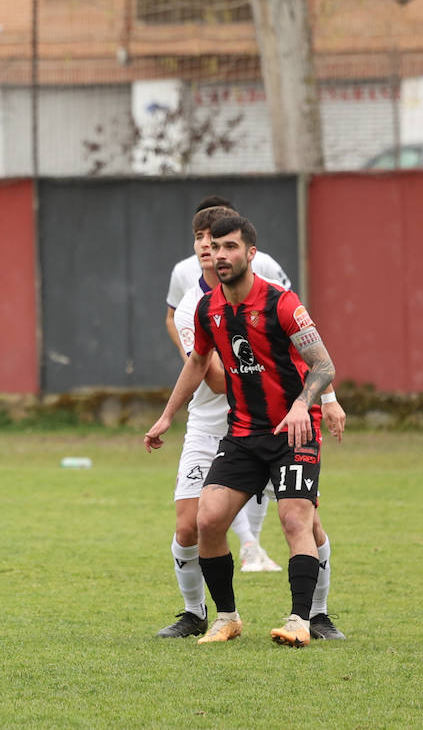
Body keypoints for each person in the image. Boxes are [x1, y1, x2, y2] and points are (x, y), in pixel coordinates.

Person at [146, 215, 345, 648]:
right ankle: (227, 618)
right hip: (243, 433)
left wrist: (302, 406)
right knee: (209, 519)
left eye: (230, 247)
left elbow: (324, 364)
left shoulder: (284, 303)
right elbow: (198, 363)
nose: (220, 255)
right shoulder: (206, 308)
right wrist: (166, 416)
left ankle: (301, 619)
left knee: (297, 520)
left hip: (293, 433)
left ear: (250, 254)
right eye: (215, 248)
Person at [164, 195, 290, 573]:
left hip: (267, 419)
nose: (210, 247)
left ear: (247, 250)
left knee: (302, 521)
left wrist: (322, 397)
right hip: (211, 422)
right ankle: (198, 612)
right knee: (192, 524)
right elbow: (214, 377)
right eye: (202, 238)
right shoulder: (193, 304)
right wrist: (197, 358)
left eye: (219, 242)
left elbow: (299, 335)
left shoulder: (269, 281)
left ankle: (316, 615)